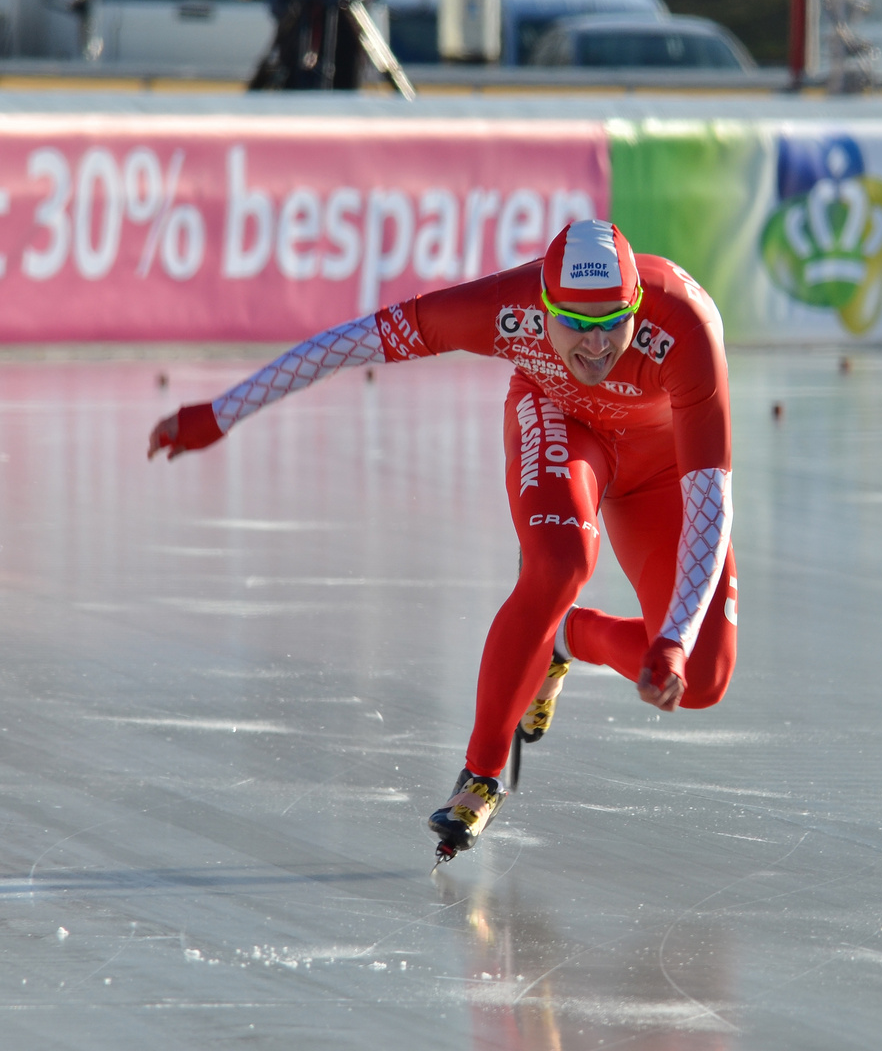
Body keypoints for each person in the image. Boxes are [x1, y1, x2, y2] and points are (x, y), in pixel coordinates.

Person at [149, 220, 737, 858]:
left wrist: (674, 642)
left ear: (636, 307)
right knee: (561, 562)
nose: (595, 348)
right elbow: (349, 344)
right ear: (540, 306)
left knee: (703, 679)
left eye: (611, 324)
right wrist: (219, 413)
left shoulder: (686, 330)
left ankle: (566, 637)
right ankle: (481, 775)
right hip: (564, 426)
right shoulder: (497, 310)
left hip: (662, 474)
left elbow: (711, 500)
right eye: (573, 324)